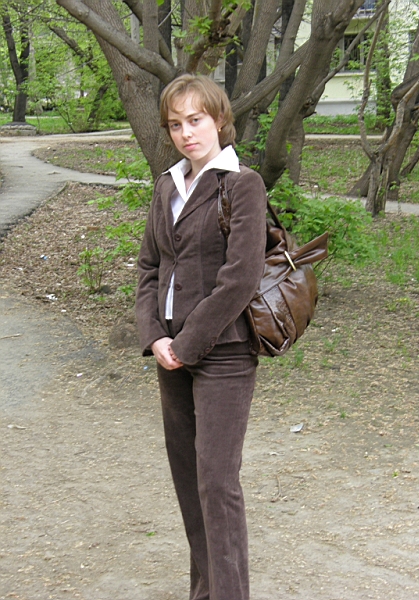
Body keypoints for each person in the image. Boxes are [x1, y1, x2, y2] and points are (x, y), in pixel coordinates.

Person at [135, 74, 267, 600]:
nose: (186, 133)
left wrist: (186, 345)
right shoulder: (167, 185)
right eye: (175, 124)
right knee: (190, 482)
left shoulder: (241, 184)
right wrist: (155, 338)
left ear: (218, 119)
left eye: (196, 120)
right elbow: (149, 268)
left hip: (224, 351)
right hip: (169, 351)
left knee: (217, 482)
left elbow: (241, 279)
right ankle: (205, 591)